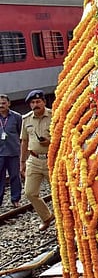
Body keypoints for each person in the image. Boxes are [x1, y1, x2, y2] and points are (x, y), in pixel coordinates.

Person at [20, 90, 53, 230]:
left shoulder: (53, 116)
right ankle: (46, 217)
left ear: (44, 102)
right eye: (32, 102)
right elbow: (24, 141)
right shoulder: (26, 119)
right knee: (30, 192)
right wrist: (22, 162)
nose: (35, 105)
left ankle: (65, 220)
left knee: (58, 193)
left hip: (51, 160)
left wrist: (50, 142)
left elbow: (64, 137)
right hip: (33, 160)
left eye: (38, 101)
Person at [0, 94, 22, 208]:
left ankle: (15, 199)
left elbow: (21, 134)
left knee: (15, 176)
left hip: (13, 152)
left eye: (3, 103)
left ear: (9, 103)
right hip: (0, 153)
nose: (1, 105)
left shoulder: (17, 117)